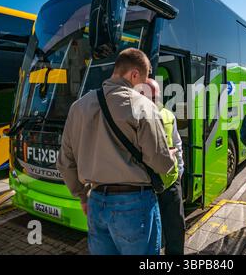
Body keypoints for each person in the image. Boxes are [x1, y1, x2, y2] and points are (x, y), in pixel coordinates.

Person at [57, 48, 176, 255]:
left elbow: (65, 161)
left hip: (96, 202)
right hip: (134, 204)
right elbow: (161, 162)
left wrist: (83, 196)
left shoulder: (78, 107)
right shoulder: (144, 107)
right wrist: (171, 158)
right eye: (143, 80)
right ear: (134, 75)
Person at [138, 78, 185, 255]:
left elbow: (177, 143)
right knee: (150, 232)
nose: (153, 99)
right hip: (146, 186)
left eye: (155, 95)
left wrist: (179, 170)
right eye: (148, 95)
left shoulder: (167, 115)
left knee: (176, 227)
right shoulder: (133, 117)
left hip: (171, 182)